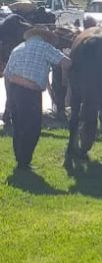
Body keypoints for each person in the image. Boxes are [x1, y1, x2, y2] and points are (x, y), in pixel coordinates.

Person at [3, 26, 71, 170]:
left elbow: (7, 74)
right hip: (31, 91)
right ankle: (25, 160)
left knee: (19, 126)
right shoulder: (45, 47)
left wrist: (9, 98)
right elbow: (66, 63)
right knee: (32, 127)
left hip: (15, 89)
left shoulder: (18, 48)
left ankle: (20, 159)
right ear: (46, 37)